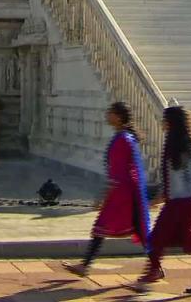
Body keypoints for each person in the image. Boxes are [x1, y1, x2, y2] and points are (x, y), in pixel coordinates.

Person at [131, 105, 191, 294]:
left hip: (184, 203)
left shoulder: (183, 146)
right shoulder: (172, 143)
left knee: (188, 240)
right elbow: (171, 177)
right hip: (175, 202)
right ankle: (155, 269)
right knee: (162, 237)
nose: (162, 123)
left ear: (171, 123)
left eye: (165, 120)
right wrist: (159, 197)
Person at [63, 102, 151, 277]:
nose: (107, 115)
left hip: (121, 191)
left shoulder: (122, 139)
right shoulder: (126, 137)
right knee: (135, 229)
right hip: (128, 190)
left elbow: (118, 171)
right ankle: (85, 265)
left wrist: (104, 195)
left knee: (103, 227)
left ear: (118, 117)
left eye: (110, 113)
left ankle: (155, 266)